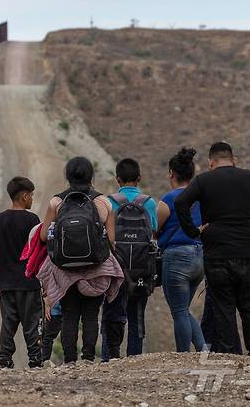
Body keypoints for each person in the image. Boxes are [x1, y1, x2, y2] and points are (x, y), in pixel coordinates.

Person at [175, 142, 250, 355]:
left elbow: (181, 202)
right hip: (245, 250)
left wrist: (193, 231)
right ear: (233, 159)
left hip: (216, 253)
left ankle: (229, 355)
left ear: (211, 162)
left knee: (223, 307)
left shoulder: (204, 181)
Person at [37, 157, 124, 364]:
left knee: (69, 316)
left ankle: (70, 360)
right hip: (95, 268)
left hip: (65, 270)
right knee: (91, 316)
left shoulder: (57, 202)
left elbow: (42, 236)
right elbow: (112, 241)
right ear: (90, 176)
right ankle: (87, 357)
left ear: (67, 176)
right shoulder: (103, 203)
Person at [101, 158, 158, 361]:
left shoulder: (109, 202)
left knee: (111, 315)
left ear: (117, 179)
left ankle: (108, 359)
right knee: (137, 317)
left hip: (115, 270)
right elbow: (154, 232)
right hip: (141, 271)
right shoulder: (149, 203)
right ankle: (133, 360)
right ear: (139, 178)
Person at [157, 148, 206, 352]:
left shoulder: (168, 200)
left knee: (178, 311)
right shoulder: (202, 199)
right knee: (183, 309)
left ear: (171, 173)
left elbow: (154, 229)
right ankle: (203, 348)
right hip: (199, 257)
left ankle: (183, 355)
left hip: (177, 257)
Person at [0, 177, 43, 368]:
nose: (32, 200)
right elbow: (38, 252)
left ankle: (5, 358)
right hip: (29, 283)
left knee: (8, 323)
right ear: (24, 196)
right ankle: (35, 358)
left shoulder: (0, 219)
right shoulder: (33, 220)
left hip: (6, 282)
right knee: (32, 322)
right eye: (32, 196)